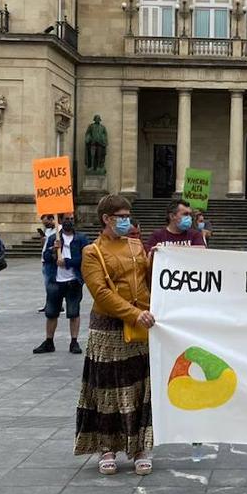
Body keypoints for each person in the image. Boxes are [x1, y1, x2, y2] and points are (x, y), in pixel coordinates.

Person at [76, 194, 156, 475]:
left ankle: (140, 446)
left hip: (141, 325)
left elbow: (149, 281)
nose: (126, 221)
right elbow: (101, 293)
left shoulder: (136, 245)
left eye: (128, 216)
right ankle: (106, 447)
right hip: (110, 328)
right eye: (121, 217)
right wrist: (134, 314)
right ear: (106, 219)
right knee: (107, 388)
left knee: (139, 387)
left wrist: (157, 261)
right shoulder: (92, 252)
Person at [35, 216, 87, 355]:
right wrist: (53, 250)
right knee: (51, 313)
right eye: (66, 219)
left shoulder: (81, 239)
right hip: (55, 281)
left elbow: (86, 259)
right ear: (61, 221)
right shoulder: (54, 238)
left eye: (71, 218)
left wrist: (68, 262)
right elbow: (45, 257)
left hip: (73, 281)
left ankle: (74, 341)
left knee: (73, 312)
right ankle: (49, 341)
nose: (68, 221)